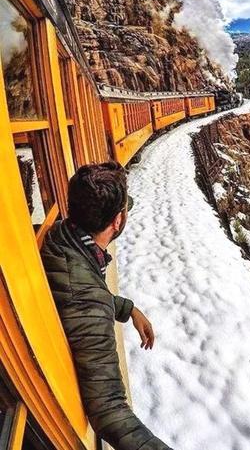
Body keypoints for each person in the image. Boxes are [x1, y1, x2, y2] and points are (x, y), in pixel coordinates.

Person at [41, 162, 173, 450]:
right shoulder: (89, 300)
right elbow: (109, 411)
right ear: (116, 222)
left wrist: (127, 309)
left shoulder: (64, 235)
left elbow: (76, 290)